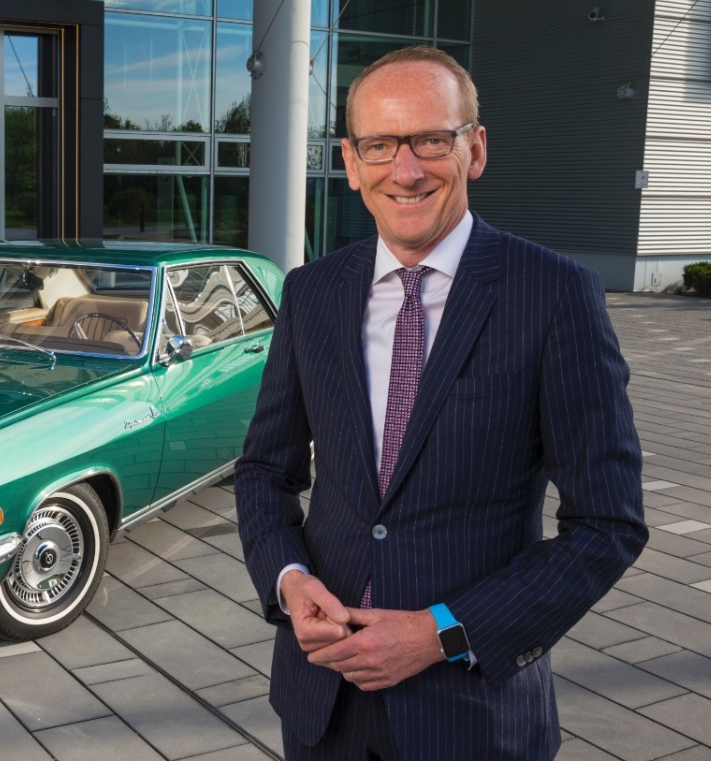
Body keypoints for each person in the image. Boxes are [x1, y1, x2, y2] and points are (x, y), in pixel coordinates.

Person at [235, 45, 646, 761]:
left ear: (474, 150)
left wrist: (441, 633)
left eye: (431, 140)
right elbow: (265, 472)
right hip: (321, 706)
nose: (406, 170)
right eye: (380, 145)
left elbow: (607, 524)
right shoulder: (311, 292)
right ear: (350, 162)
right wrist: (288, 578)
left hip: (471, 716)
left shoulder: (554, 296)